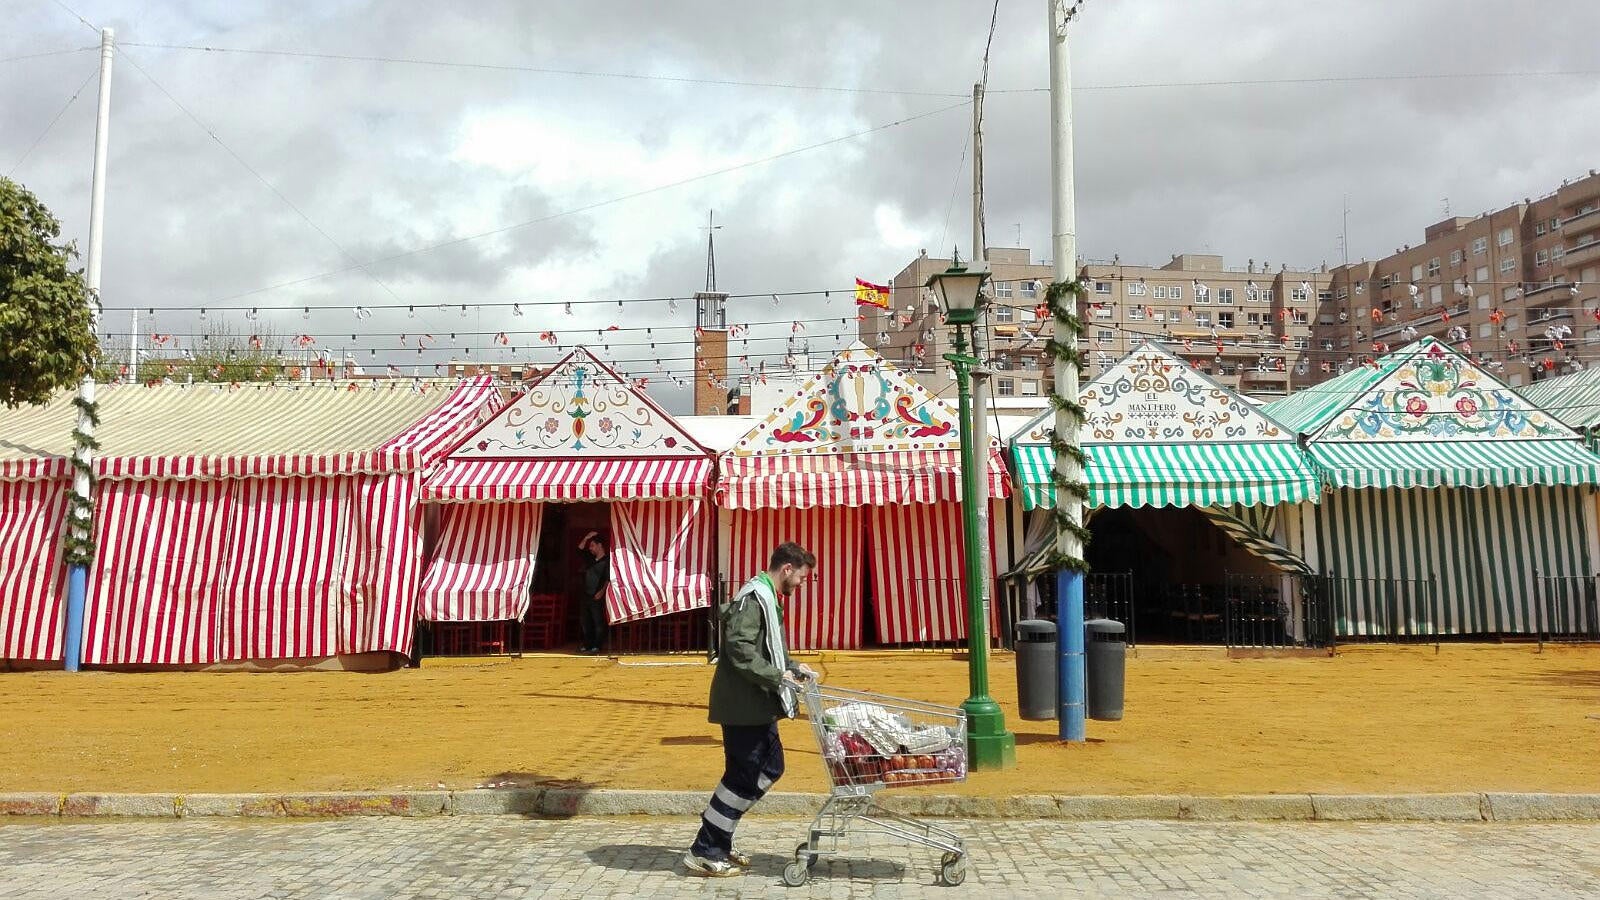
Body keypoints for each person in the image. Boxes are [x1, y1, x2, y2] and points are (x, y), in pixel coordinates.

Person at [682, 541, 818, 878]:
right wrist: (777, 675)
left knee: (770, 768)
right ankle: (707, 847)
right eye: (801, 577)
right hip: (743, 706)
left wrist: (793, 666)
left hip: (758, 703)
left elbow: (767, 647)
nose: (801, 584)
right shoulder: (753, 599)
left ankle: (718, 838)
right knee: (744, 776)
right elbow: (741, 651)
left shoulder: (767, 598)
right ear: (787, 569)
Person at [577, 531, 610, 654]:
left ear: (600, 545)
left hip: (597, 596)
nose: (590, 549)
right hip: (585, 595)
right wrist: (587, 537)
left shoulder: (607, 561)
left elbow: (608, 579)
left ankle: (597, 645)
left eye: (592, 546)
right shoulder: (589, 558)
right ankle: (587, 644)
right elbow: (579, 550)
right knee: (585, 622)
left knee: (598, 622)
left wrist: (601, 592)